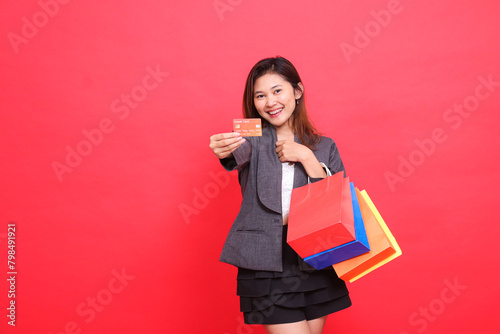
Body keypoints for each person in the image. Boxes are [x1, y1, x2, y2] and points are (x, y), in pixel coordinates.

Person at [209, 56, 351, 334]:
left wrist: (308, 158)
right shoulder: (251, 140)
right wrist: (221, 148)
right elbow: (232, 153)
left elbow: (336, 200)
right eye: (260, 95)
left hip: (315, 257)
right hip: (265, 261)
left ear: (296, 92)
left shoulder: (324, 146)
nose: (270, 102)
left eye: (277, 91)